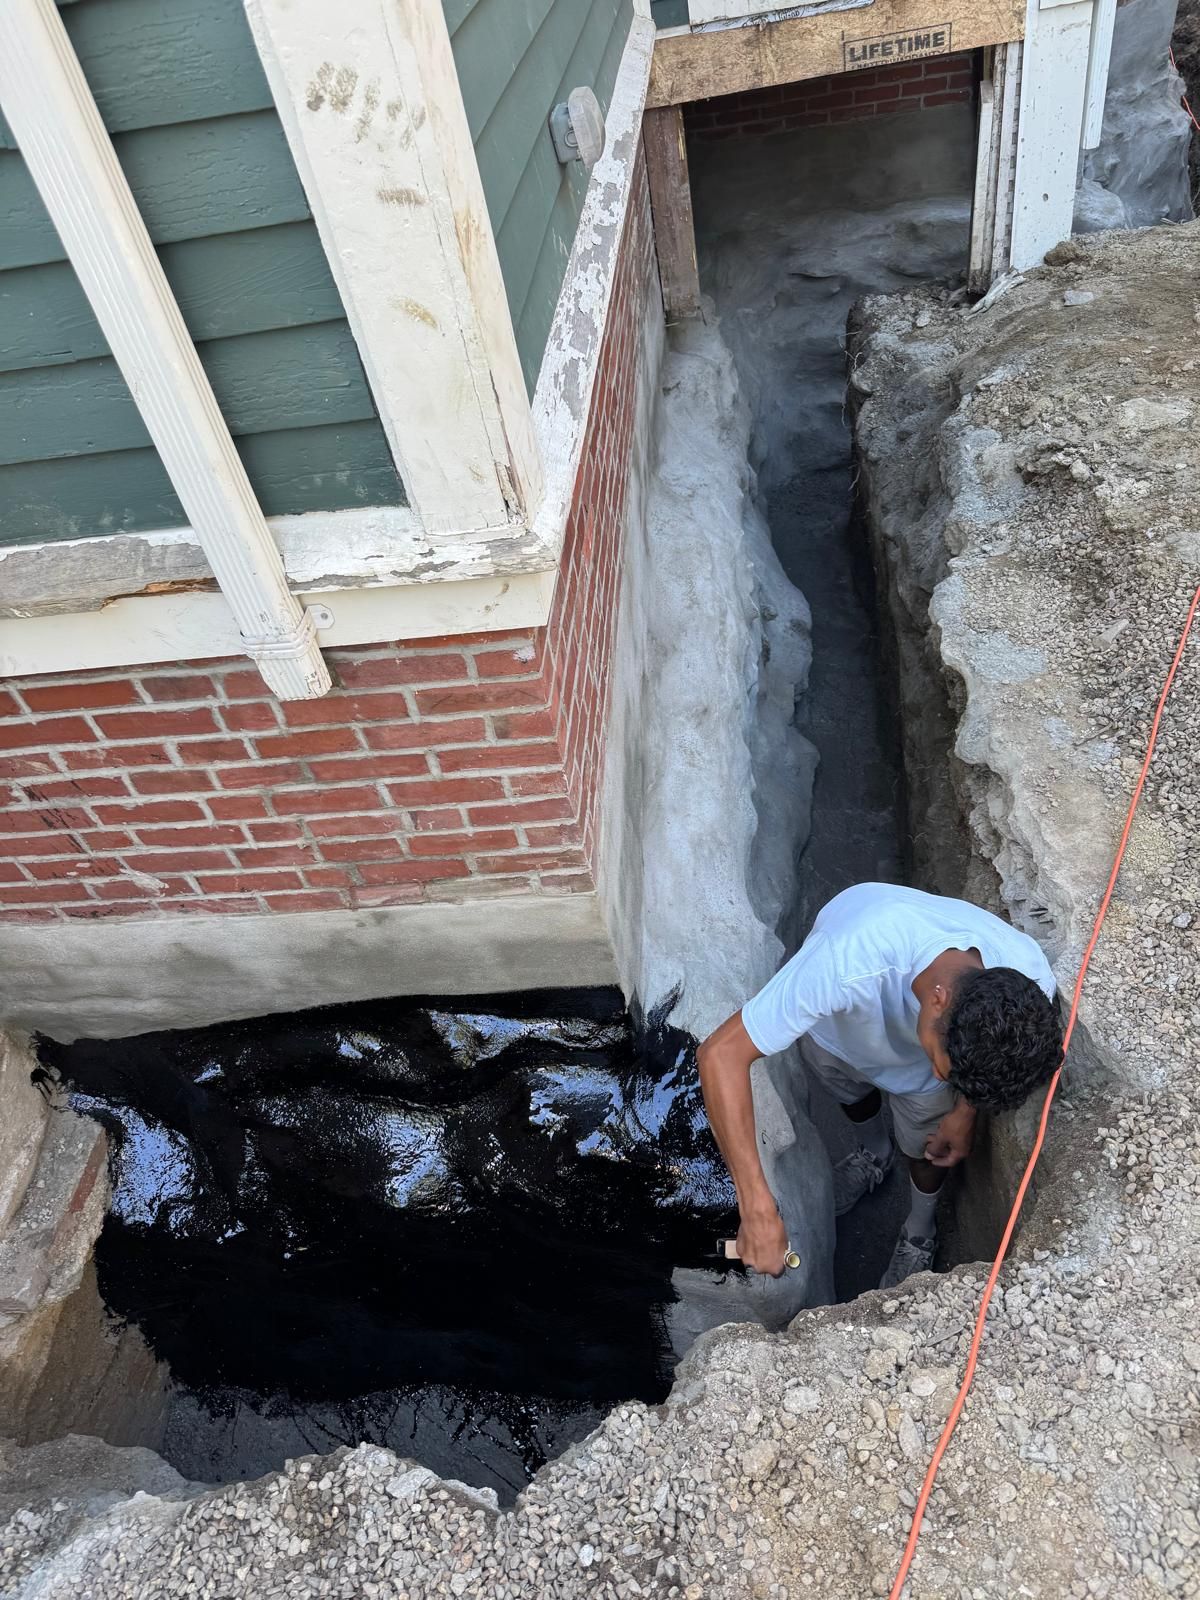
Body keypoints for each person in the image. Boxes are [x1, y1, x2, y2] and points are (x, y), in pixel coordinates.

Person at [696, 882, 1063, 1288]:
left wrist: (963, 1111)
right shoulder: (845, 960)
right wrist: (756, 1206)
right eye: (948, 1068)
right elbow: (719, 1054)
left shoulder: (1028, 982)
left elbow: (973, 1071)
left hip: (910, 1069)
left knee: (927, 1149)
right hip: (840, 1035)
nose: (946, 1079)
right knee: (850, 1091)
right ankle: (874, 1153)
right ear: (938, 1000)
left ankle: (920, 1231)